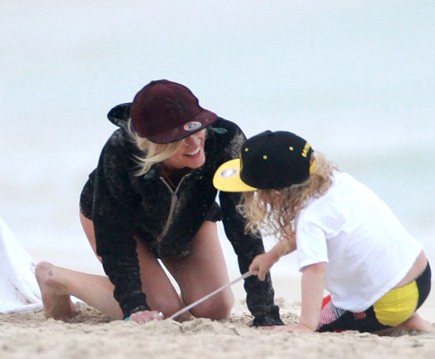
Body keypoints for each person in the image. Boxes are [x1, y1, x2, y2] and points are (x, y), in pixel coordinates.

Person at [35, 80, 282, 326]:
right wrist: (135, 306)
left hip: (191, 221)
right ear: (152, 144)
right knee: (164, 310)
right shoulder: (121, 150)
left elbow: (243, 224)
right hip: (121, 224)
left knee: (214, 308)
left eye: (197, 129)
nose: (195, 144)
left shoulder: (226, 139)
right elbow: (114, 237)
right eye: (180, 138)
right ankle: (55, 278)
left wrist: (265, 314)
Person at [213, 130, 434, 334]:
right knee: (336, 300)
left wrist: (305, 325)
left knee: (322, 320)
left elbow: (315, 269)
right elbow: (310, 234)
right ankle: (408, 317)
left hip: (388, 302)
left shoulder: (311, 218)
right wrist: (272, 255)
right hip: (420, 276)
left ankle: (398, 320)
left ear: (276, 194)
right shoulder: (339, 182)